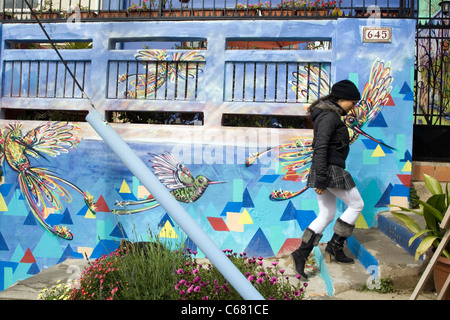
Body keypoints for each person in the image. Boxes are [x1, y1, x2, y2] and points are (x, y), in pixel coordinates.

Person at [291, 80, 365, 279]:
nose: (354, 106)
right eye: (353, 102)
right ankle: (334, 246)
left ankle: (301, 254)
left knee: (326, 214)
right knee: (357, 204)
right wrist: (321, 180)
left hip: (326, 170)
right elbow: (321, 147)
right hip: (329, 171)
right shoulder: (329, 117)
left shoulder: (329, 115)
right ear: (342, 99)